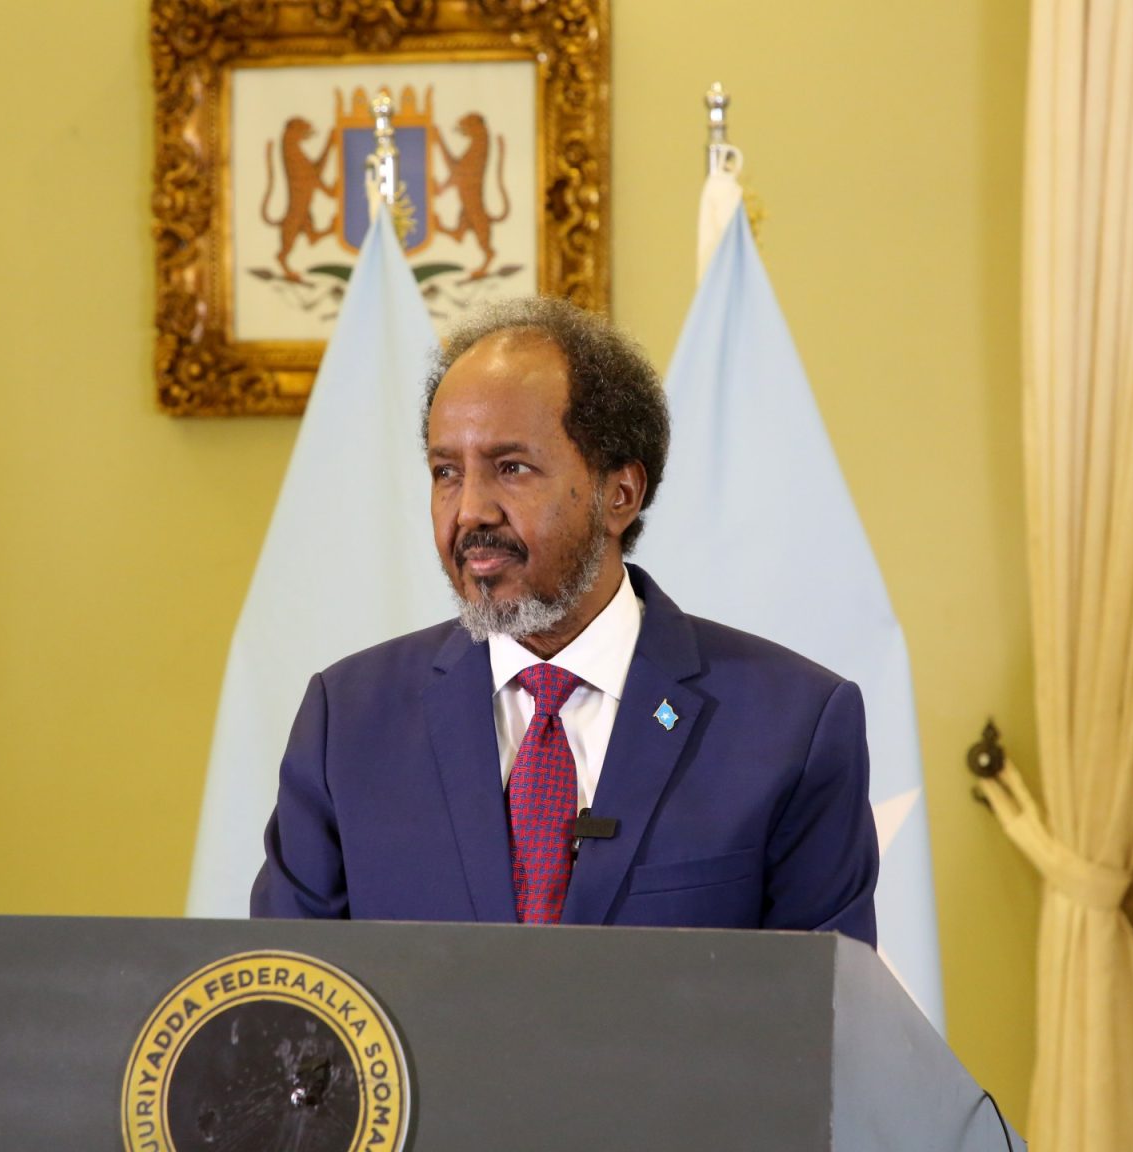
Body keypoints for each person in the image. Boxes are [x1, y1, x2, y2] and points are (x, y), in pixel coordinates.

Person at [251, 297, 878, 944]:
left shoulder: (792, 727)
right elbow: (286, 991)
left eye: (511, 468)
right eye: (446, 472)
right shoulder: (347, 723)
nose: (470, 511)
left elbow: (822, 1001)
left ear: (620, 494)